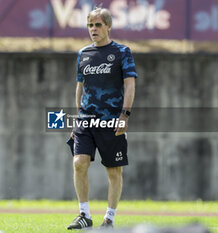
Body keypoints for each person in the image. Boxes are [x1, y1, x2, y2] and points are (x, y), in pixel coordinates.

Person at [66, 6, 138, 230]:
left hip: (111, 121)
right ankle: (84, 215)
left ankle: (109, 219)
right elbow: (80, 87)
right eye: (90, 25)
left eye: (98, 25)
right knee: (79, 163)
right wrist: (78, 117)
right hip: (86, 120)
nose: (93, 29)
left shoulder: (121, 52)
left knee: (113, 171)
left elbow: (130, 84)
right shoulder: (83, 54)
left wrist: (124, 115)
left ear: (108, 26)